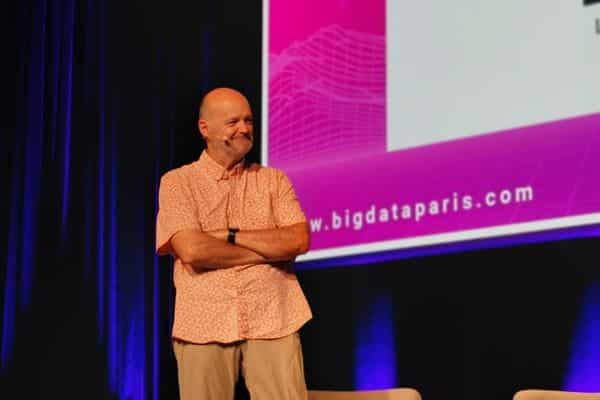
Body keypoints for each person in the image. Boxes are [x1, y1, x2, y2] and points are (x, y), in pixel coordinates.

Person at [155, 87, 312, 400]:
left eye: (248, 120)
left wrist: (229, 234)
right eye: (233, 122)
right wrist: (268, 252)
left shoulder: (274, 180)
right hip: (203, 322)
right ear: (205, 128)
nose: (244, 128)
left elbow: (298, 240)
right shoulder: (177, 182)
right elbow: (193, 251)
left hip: (274, 317)